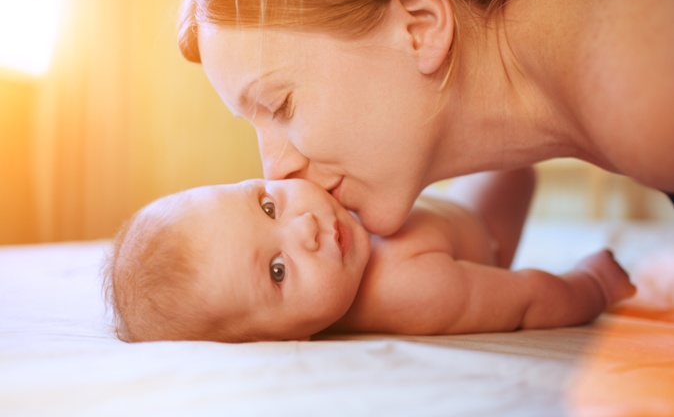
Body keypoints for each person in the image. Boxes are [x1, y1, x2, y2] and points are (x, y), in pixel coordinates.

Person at [178, 0, 674, 237]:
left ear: (419, 27)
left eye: (281, 105)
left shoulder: (632, 68)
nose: (273, 171)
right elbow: (483, 240)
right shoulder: (531, 99)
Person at [103, 168, 635, 343]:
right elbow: (525, 301)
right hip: (488, 237)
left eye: (267, 206)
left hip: (449, 206)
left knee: (504, 147)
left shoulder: (325, 218)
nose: (305, 227)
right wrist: (591, 284)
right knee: (515, 170)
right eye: (278, 270)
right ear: (289, 339)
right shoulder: (409, 290)